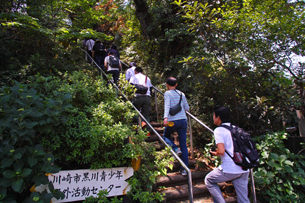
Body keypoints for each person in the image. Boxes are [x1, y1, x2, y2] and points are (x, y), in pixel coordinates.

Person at [205, 106, 250, 203]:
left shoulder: (219, 130)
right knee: (244, 199)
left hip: (230, 169)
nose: (213, 117)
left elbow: (221, 151)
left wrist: (215, 153)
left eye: (214, 115)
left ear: (219, 117)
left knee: (209, 180)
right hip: (244, 168)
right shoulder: (236, 128)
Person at [163, 77, 190, 176]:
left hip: (172, 121)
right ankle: (184, 169)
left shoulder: (167, 93)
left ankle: (175, 149)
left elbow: (167, 105)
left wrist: (165, 117)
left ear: (167, 84)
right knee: (184, 145)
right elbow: (187, 108)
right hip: (183, 121)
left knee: (165, 136)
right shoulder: (181, 94)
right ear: (176, 84)